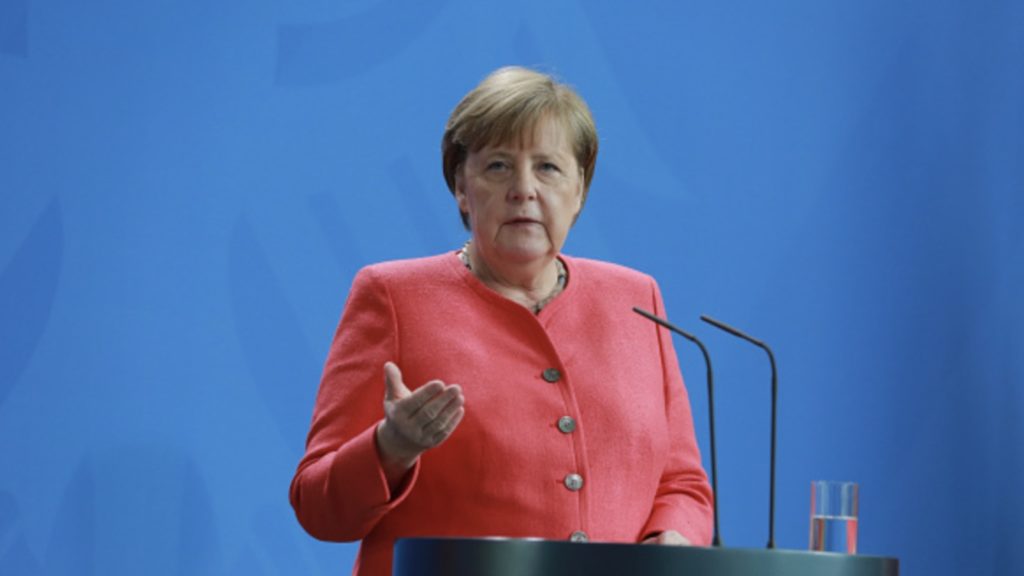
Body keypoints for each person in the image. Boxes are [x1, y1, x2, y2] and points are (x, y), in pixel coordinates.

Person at [289, 66, 713, 576]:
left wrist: (674, 537)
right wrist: (390, 449)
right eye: (497, 167)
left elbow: (682, 484)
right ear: (461, 190)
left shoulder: (636, 298)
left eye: (548, 168)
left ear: (579, 190)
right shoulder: (392, 296)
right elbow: (318, 506)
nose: (523, 189)